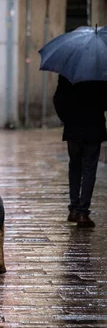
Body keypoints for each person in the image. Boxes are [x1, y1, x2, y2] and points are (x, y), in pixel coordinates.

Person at [53, 75, 107, 228]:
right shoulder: (101, 74)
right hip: (94, 128)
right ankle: (83, 213)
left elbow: (58, 99)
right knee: (89, 168)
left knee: (75, 166)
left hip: (73, 128)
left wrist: (67, 119)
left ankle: (74, 209)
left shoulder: (67, 73)